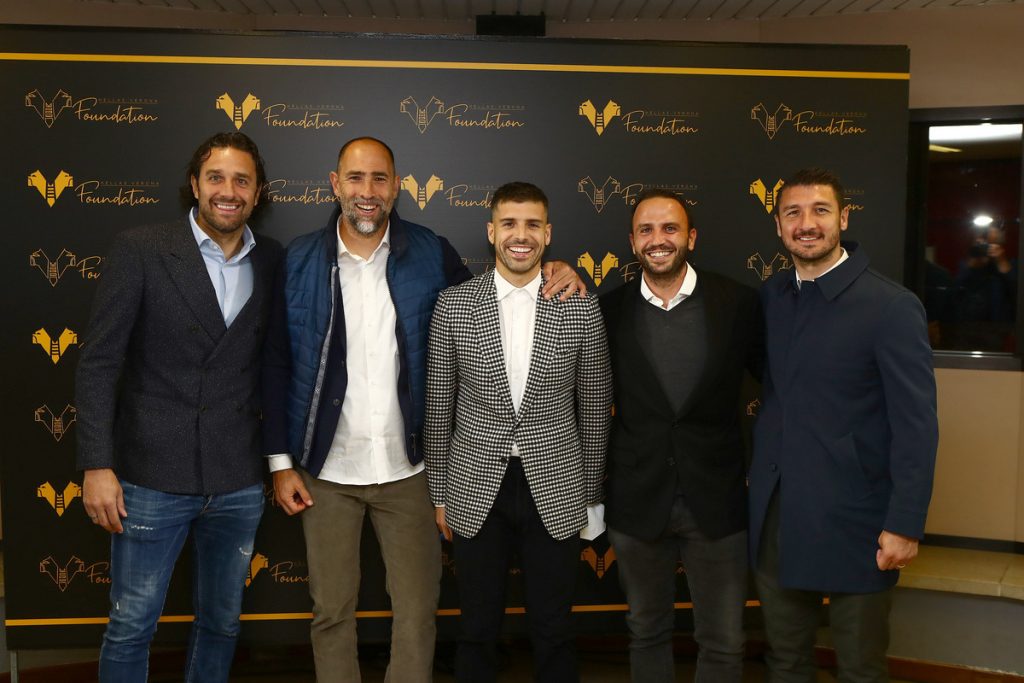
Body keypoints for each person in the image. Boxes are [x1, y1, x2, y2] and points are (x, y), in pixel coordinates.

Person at [261, 140, 584, 682]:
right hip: (325, 472)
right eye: (355, 178)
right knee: (331, 612)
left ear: (397, 186)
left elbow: (498, 302)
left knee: (416, 615)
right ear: (336, 184)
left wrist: (554, 271)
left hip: (410, 470)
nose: (368, 191)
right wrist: (280, 462)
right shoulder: (297, 260)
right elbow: (274, 361)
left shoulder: (432, 253)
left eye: (379, 179)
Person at [76, 131, 280, 682]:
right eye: (216, 178)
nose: (228, 191)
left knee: (222, 624)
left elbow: (274, 366)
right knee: (132, 625)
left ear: (258, 192)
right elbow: (99, 363)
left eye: (242, 180)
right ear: (194, 184)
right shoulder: (141, 249)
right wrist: (96, 465)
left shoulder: (273, 260)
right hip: (150, 476)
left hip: (237, 478)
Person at [749, 168, 938, 682]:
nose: (806, 224)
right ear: (779, 226)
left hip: (860, 520)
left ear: (844, 218)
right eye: (793, 213)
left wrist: (905, 524)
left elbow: (917, 426)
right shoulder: (771, 297)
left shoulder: (891, 306)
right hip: (779, 516)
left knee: (860, 668)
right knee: (786, 661)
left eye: (820, 210)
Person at [424, 181, 612, 683]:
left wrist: (591, 498)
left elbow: (595, 410)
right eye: (509, 223)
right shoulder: (453, 306)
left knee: (554, 628)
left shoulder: (580, 306)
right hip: (473, 485)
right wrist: (439, 494)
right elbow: (439, 408)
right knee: (476, 628)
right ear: (492, 231)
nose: (520, 235)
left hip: (556, 485)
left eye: (532, 224)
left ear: (548, 233)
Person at [599, 189, 763, 682]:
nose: (658, 239)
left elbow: (782, 385)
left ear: (691, 237)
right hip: (637, 499)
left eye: (670, 228)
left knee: (723, 640)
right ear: (633, 242)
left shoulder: (738, 304)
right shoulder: (606, 310)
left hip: (716, 500)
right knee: (646, 631)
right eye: (646, 230)